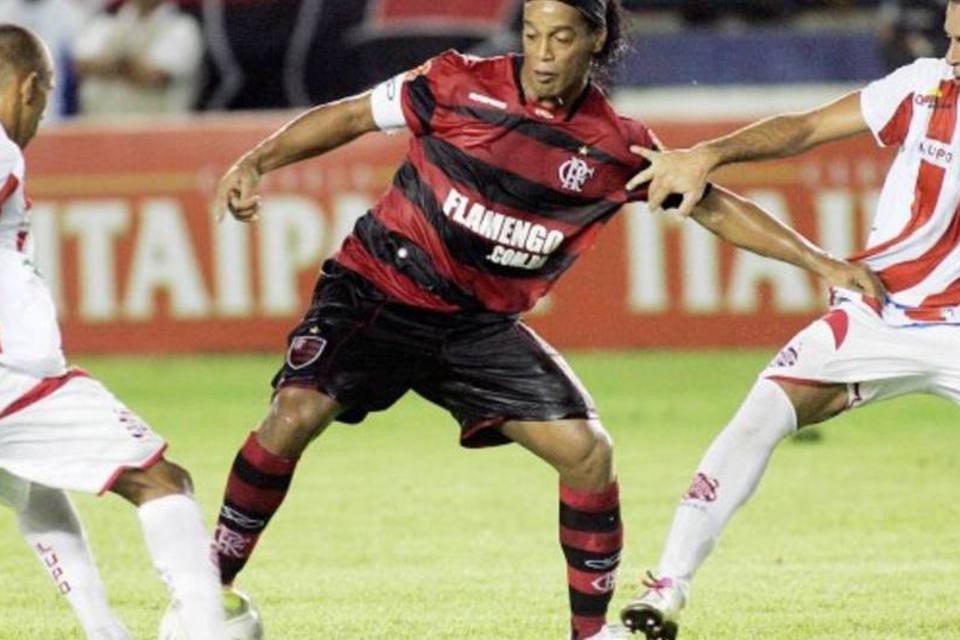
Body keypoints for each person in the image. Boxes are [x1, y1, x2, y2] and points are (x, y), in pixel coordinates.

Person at [210, 1, 881, 638]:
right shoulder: (454, 83)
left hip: (474, 328)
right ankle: (207, 586)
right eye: (531, 32)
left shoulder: (616, 149)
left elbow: (712, 205)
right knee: (293, 416)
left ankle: (589, 634)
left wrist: (819, 261)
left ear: (596, 42)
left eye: (561, 37)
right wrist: (257, 160)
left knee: (587, 453)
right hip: (376, 290)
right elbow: (353, 116)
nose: (542, 54)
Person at [619, 2, 960, 638]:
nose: (953, 31)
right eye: (953, 17)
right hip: (881, 310)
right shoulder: (921, 87)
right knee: (761, 413)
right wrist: (707, 155)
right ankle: (666, 590)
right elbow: (803, 129)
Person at [0, 24, 226, 640]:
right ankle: (208, 630)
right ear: (28, 87)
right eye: (42, 103)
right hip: (12, 377)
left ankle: (104, 631)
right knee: (161, 481)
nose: (41, 119)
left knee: (33, 489)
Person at [73, 0, 202, 117]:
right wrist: (127, 66)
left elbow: (154, 76)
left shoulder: (182, 27)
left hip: (158, 134)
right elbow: (80, 66)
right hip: (100, 131)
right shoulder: (106, 21)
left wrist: (110, 65)